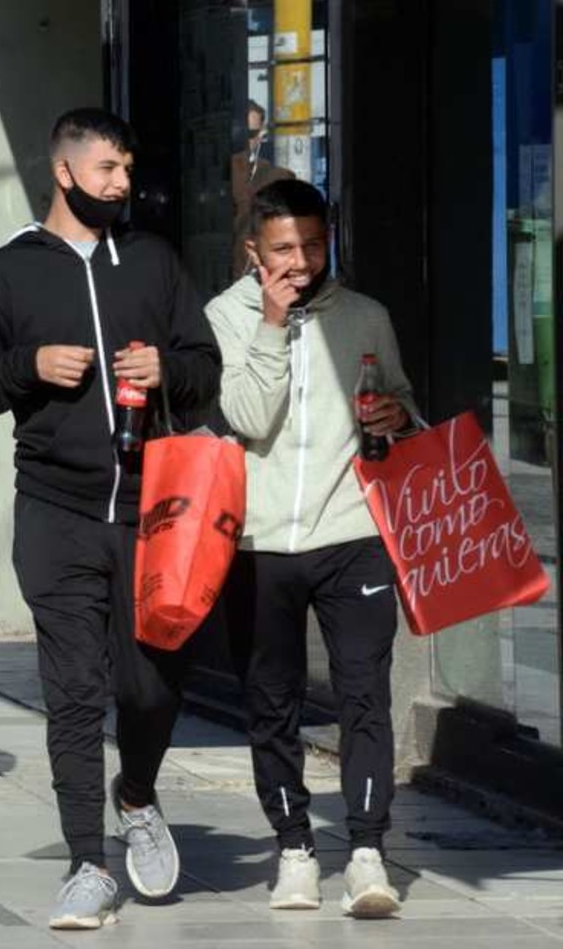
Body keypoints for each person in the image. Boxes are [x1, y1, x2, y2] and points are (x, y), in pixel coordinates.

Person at [0, 108, 221, 930]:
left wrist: (164, 367)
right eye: (107, 169)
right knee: (71, 691)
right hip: (55, 512)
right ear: (64, 173)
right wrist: (25, 367)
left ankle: (134, 794)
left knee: (150, 685)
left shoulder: (151, 261)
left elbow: (204, 371)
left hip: (153, 511)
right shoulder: (9, 272)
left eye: (126, 170)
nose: (122, 183)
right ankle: (85, 863)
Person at [206, 178, 415, 918]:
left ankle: (365, 850)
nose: (300, 261)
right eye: (284, 249)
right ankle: (293, 846)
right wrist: (270, 323)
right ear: (252, 252)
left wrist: (395, 414)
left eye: (314, 245)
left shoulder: (363, 316)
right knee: (270, 701)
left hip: (351, 535)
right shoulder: (222, 319)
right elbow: (247, 417)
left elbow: (400, 409)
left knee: (364, 695)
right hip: (256, 542)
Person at [231, 99, 295, 279]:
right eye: (238, 134)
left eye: (250, 134)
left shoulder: (277, 178)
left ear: (261, 134)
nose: (244, 141)